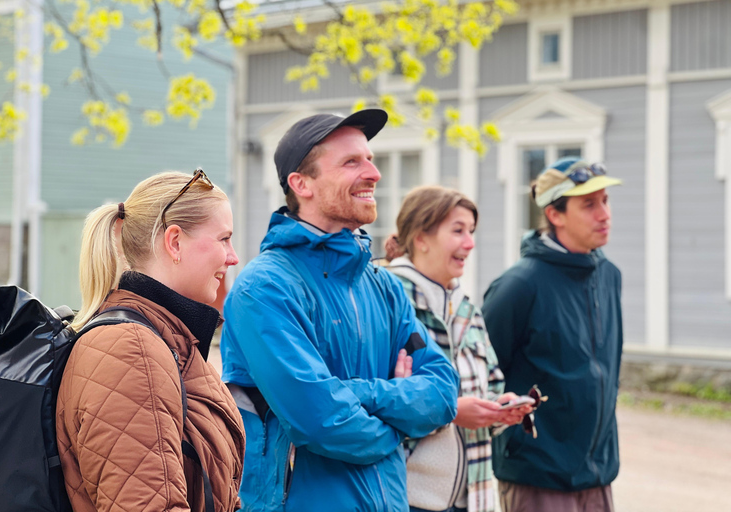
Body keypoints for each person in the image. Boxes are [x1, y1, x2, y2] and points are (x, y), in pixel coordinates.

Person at [221, 109, 460, 512]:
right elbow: (322, 423)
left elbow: (442, 392)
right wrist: (398, 425)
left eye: (369, 158)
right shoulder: (264, 289)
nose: (374, 173)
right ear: (301, 184)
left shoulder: (383, 286)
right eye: (352, 162)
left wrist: (357, 391)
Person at [56, 169, 245, 511]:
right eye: (224, 239)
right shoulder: (132, 350)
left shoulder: (166, 340)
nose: (233, 257)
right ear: (174, 242)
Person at [481, 157, 623, 512]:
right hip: (537, 476)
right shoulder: (518, 285)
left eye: (605, 201)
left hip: (598, 474)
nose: (604, 214)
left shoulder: (609, 276)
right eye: (589, 204)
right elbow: (483, 375)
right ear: (555, 215)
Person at [384, 185, 532, 512]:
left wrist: (499, 410)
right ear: (421, 238)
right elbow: (376, 405)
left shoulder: (469, 311)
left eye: (472, 231)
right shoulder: (385, 303)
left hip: (473, 499)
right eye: (458, 231)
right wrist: (451, 413)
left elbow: (491, 384)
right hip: (404, 499)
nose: (470, 242)